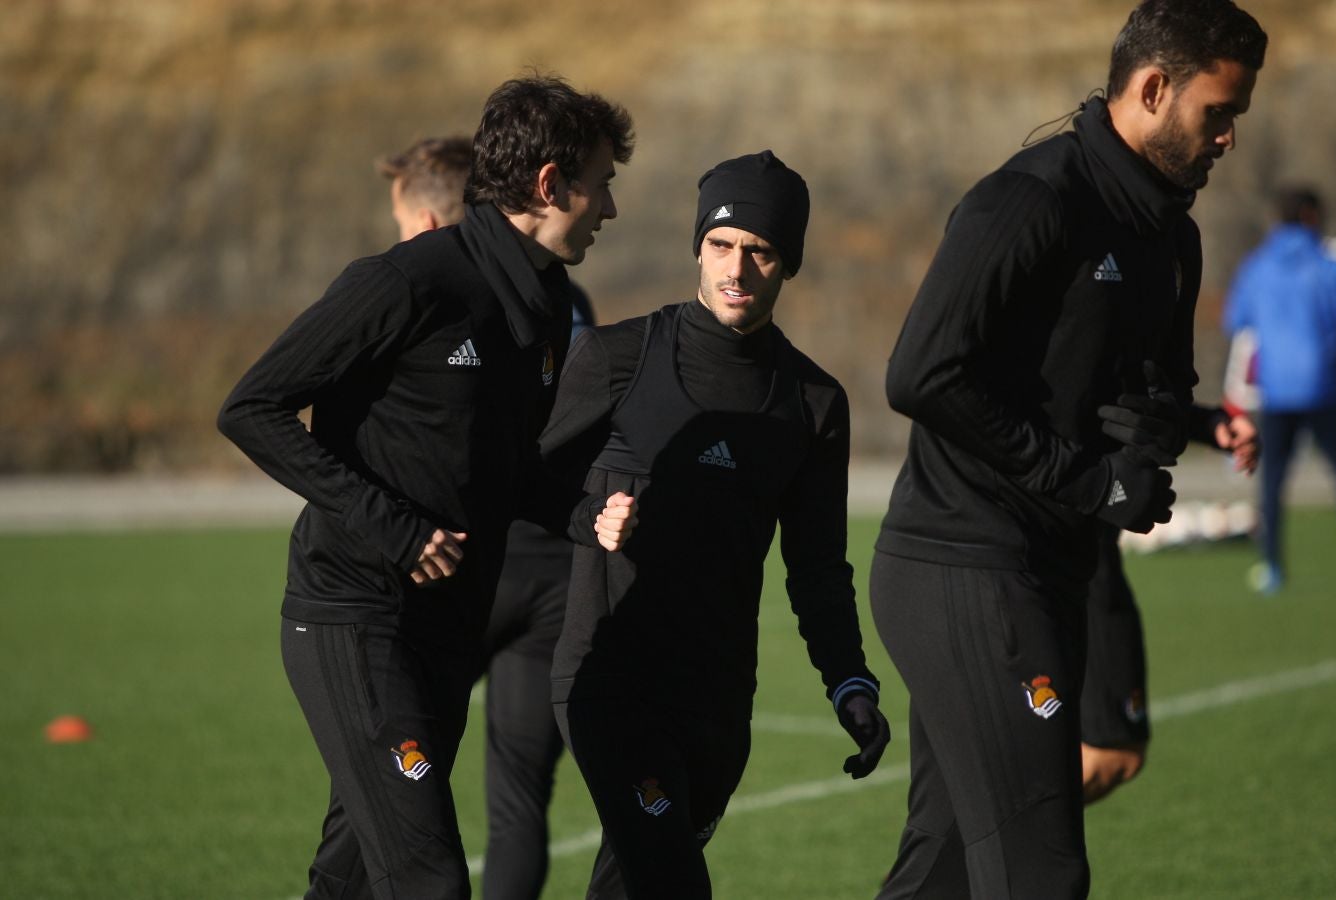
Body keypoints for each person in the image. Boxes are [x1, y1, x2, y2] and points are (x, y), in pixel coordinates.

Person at [869, 1, 1266, 896]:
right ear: (1154, 89)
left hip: (1051, 573)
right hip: (960, 567)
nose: (1229, 139)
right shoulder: (1030, 198)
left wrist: (1162, 430)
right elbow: (920, 376)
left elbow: (1157, 390)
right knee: (1040, 874)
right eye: (1219, 113)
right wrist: (1085, 477)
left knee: (944, 874)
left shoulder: (1175, 235)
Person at [217, 75, 638, 899]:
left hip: (448, 629)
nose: (611, 210)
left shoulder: (547, 307)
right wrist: (396, 528)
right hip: (355, 617)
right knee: (429, 880)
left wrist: (594, 516)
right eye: (603, 185)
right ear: (551, 185)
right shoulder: (407, 282)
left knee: (352, 882)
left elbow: (512, 470)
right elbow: (251, 408)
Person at [539, 150, 891, 899]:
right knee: (673, 886)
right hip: (610, 683)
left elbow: (818, 566)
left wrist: (848, 681)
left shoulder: (813, 404)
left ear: (786, 263)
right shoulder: (615, 359)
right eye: (721, 245)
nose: (738, 268)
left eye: (760, 251)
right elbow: (522, 480)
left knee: (628, 884)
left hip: (718, 707)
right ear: (698, 247)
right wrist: (587, 518)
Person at [376, 134, 597, 900]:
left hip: (461, 564)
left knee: (391, 796)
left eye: (405, 227)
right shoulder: (566, 298)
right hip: (558, 574)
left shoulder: (434, 295)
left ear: (433, 223)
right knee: (517, 804)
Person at [1079, 408, 1259, 804]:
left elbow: (1109, 384)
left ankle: (982, 850)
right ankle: (986, 850)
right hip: (1062, 554)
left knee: (1112, 754)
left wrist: (1204, 422)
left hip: (1084, 552)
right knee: (1109, 754)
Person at [1223, 187, 1336, 594]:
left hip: (1276, 391)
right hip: (1322, 388)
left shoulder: (1256, 266)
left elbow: (1236, 318)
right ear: (1311, 216)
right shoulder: (1327, 266)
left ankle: (1273, 566)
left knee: (1272, 482)